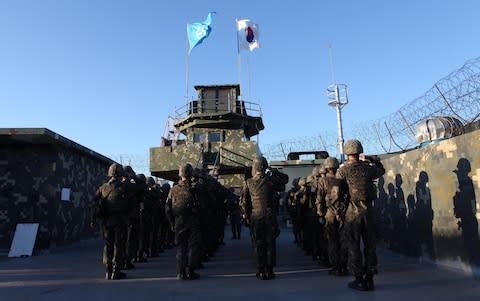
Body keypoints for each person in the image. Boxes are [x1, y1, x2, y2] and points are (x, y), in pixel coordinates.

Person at [336, 139, 385, 291]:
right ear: (359, 151)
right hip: (368, 210)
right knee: (370, 245)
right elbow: (381, 171)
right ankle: (370, 278)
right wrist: (374, 161)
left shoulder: (343, 170)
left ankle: (358, 279)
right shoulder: (368, 169)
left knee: (353, 245)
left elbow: (337, 192)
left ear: (347, 152)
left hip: (353, 211)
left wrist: (339, 212)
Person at [240, 156, 288, 280]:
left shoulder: (248, 182)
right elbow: (285, 180)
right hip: (270, 215)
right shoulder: (270, 180)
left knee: (258, 244)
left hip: (256, 216)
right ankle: (270, 270)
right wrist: (274, 170)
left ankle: (260, 270)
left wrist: (246, 217)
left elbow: (244, 202)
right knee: (270, 243)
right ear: (265, 166)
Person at [91, 163, 130, 280]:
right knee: (118, 246)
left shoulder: (103, 187)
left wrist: (93, 219)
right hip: (120, 221)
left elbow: (93, 203)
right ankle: (116, 271)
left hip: (106, 222)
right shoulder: (125, 187)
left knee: (108, 245)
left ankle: (108, 271)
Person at [166, 163, 201, 280]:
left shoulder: (173, 189)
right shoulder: (196, 188)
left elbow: (167, 208)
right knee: (193, 246)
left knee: (181, 248)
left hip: (178, 221)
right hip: (193, 220)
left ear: (180, 175)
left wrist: (172, 222)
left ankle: (181, 273)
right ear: (191, 175)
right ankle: (191, 271)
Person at [316, 157, 349, 276]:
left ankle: (336, 266)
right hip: (343, 212)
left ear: (326, 167)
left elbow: (320, 198)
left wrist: (320, 212)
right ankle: (344, 266)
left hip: (329, 213)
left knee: (332, 241)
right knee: (343, 240)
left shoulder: (323, 180)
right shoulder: (342, 179)